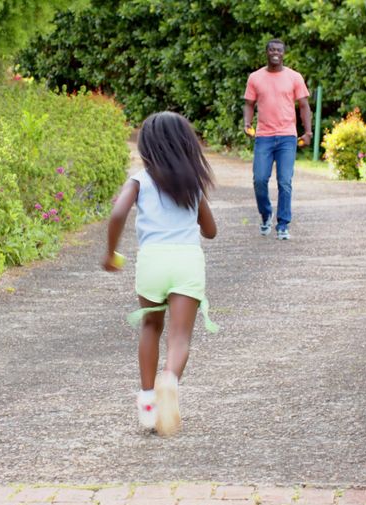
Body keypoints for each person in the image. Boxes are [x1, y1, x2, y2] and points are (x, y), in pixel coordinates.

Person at [103, 111, 219, 436]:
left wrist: (111, 253)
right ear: (186, 145)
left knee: (151, 326)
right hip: (186, 261)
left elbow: (117, 214)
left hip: (152, 262)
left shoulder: (140, 180)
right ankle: (169, 377)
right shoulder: (192, 183)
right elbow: (210, 231)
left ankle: (148, 401)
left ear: (146, 145)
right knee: (179, 337)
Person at [243, 38, 312, 241]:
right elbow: (248, 104)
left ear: (283, 53)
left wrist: (307, 132)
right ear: (267, 53)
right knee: (260, 179)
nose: (275, 53)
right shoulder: (255, 77)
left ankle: (283, 224)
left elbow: (304, 105)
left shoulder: (294, 77)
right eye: (272, 49)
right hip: (264, 136)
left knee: (285, 182)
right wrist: (247, 124)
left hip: (287, 137)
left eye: (279, 50)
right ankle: (266, 214)